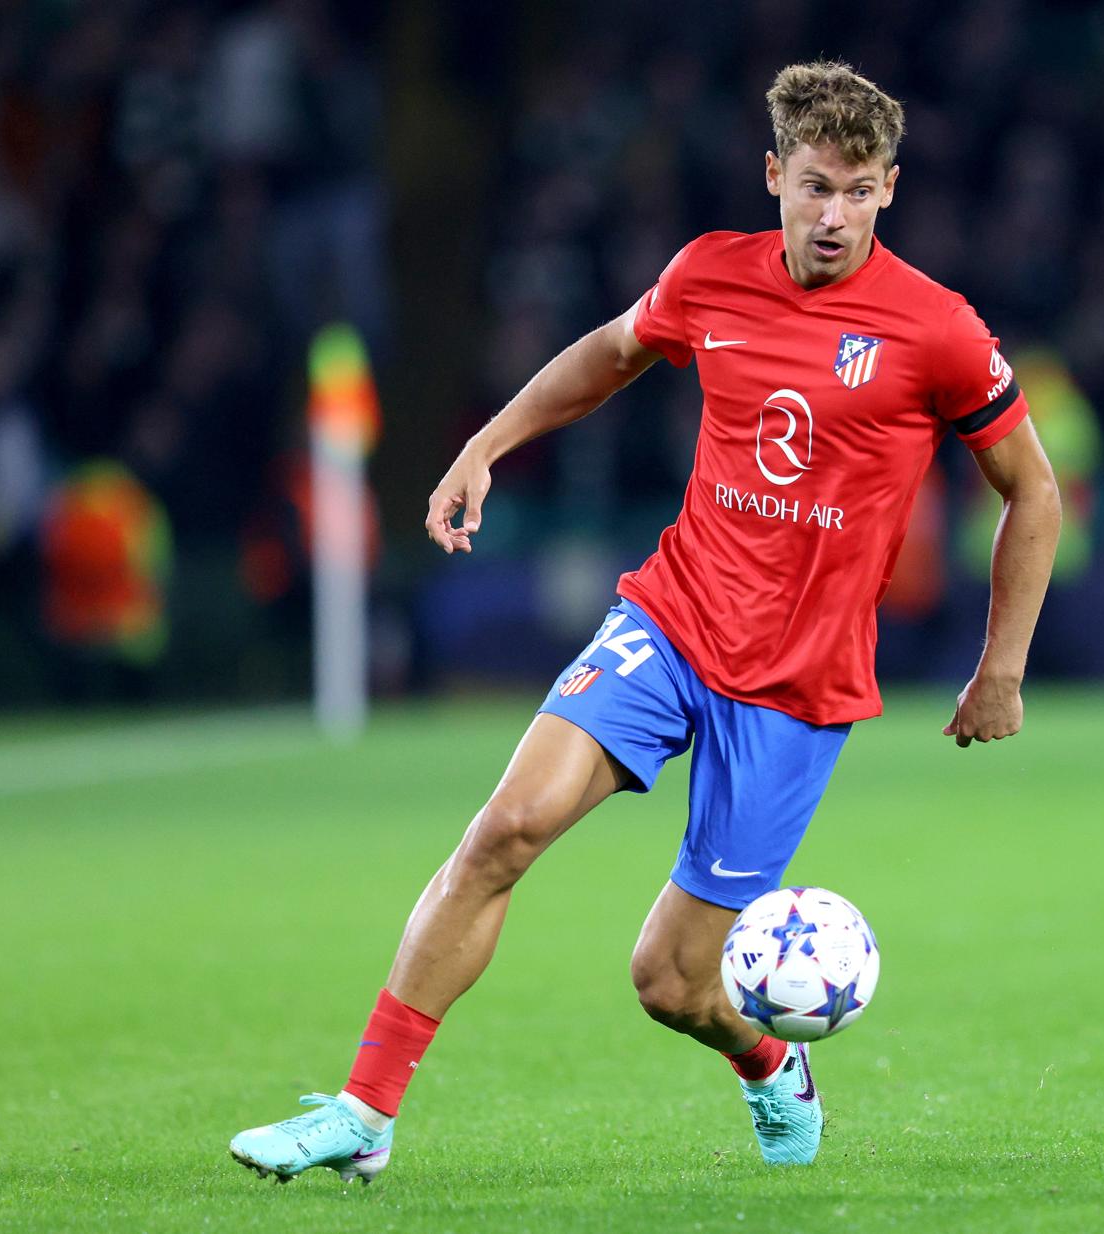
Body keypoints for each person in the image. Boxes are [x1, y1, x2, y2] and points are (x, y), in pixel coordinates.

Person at [228, 61, 1061, 1182]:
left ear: (892, 189)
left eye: (860, 191)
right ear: (775, 175)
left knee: (670, 981)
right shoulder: (711, 276)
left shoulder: (936, 331)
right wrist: (486, 447)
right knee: (503, 830)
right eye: (815, 185)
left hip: (794, 688)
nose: (834, 214)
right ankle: (364, 1112)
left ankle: (769, 1062)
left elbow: (1034, 489)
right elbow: (612, 354)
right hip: (670, 621)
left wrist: (998, 669)